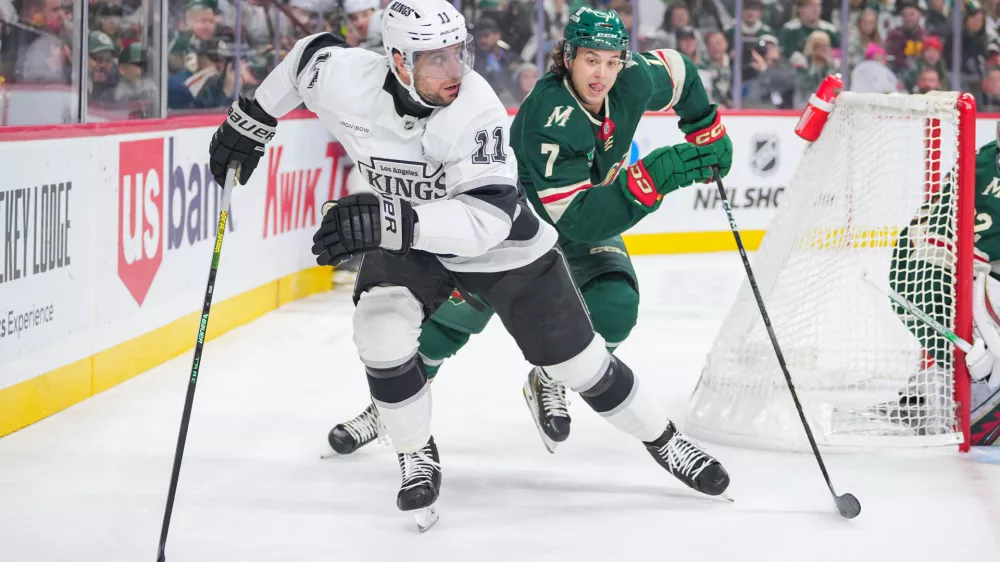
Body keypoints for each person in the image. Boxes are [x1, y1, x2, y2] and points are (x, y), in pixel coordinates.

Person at [206, 0, 733, 528]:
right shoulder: (346, 79)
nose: (454, 71)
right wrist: (253, 117)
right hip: (410, 232)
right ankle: (415, 452)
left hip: (498, 244)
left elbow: (486, 221)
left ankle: (666, 441)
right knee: (379, 330)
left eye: (459, 54)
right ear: (397, 61)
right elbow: (305, 58)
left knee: (583, 366)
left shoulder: (473, 107)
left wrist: (392, 222)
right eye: (435, 60)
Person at [887, 125, 1000, 446]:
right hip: (982, 274)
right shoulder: (981, 162)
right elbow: (928, 225)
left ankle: (977, 387)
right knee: (920, 279)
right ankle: (953, 377)